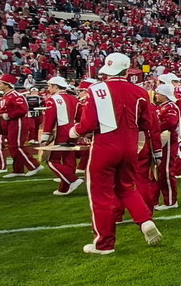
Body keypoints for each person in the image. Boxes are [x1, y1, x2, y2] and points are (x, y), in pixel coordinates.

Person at [69, 52, 162, 255]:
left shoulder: (96, 90)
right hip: (129, 146)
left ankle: (104, 243)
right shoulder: (140, 92)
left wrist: (74, 131)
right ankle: (145, 220)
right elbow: (148, 123)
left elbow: (88, 123)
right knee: (127, 187)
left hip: (104, 145)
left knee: (100, 194)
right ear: (127, 70)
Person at [39, 75, 82, 196]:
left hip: (61, 132)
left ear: (55, 86)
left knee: (52, 160)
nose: (48, 88)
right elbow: (80, 117)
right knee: (69, 158)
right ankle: (64, 188)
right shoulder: (75, 99)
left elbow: (49, 120)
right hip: (73, 131)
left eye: (49, 86)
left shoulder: (52, 99)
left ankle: (73, 180)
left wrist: (45, 137)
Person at [0, 73, 41, 178]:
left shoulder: (15, 95)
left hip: (17, 122)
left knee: (17, 146)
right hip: (10, 123)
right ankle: (18, 169)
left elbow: (22, 110)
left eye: (0, 83)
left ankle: (34, 165)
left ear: (7, 85)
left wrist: (9, 115)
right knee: (12, 147)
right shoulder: (6, 96)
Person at [152, 83, 181, 210]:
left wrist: (154, 128)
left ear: (164, 95)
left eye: (158, 93)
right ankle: (158, 199)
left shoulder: (171, 107)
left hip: (168, 140)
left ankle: (171, 201)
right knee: (158, 172)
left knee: (166, 171)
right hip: (161, 140)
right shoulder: (160, 107)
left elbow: (170, 122)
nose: (156, 95)